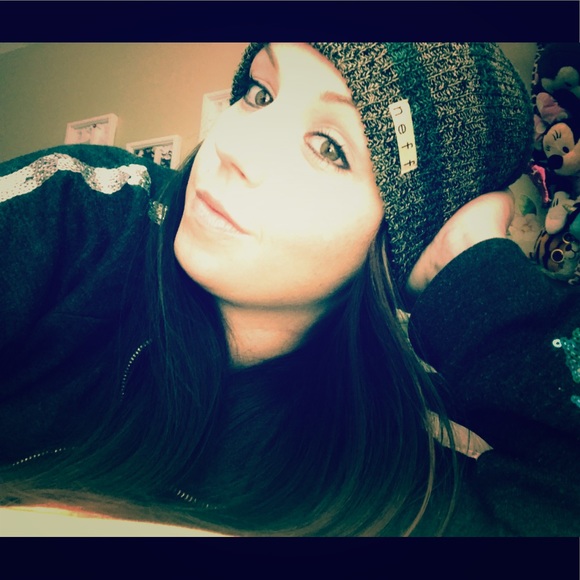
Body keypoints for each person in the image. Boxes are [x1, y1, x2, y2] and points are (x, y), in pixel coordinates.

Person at [0, 42, 577, 537]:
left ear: (400, 243)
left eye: (329, 147)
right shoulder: (82, 213)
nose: (234, 148)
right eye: (260, 94)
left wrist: (473, 267)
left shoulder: (393, 477)